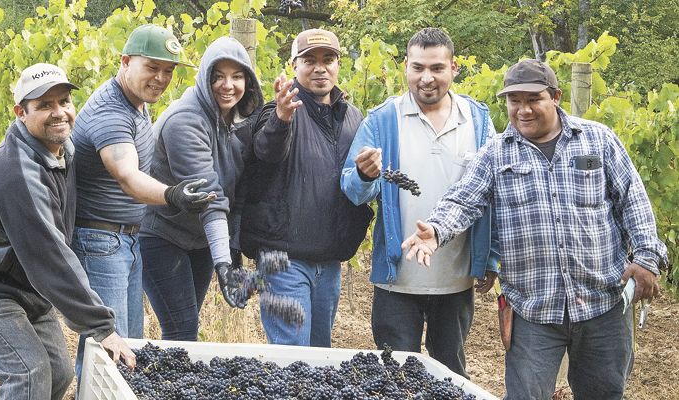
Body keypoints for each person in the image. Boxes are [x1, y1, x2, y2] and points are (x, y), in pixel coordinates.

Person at [401, 59, 666, 399]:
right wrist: (436, 230)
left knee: (604, 393)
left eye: (532, 99)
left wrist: (646, 258)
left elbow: (633, 200)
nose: (523, 110)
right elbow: (463, 201)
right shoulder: (496, 154)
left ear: (555, 97)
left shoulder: (598, 141)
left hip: (603, 305)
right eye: (515, 101)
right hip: (533, 311)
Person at [0, 63, 136, 400]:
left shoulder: (64, 151)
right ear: (21, 112)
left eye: (64, 101)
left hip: (23, 282)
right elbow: (49, 253)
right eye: (44, 105)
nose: (58, 112)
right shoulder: (16, 171)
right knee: (28, 375)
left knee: (57, 375)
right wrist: (101, 327)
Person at [340, 27, 499, 377]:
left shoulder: (478, 120)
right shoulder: (382, 120)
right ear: (405, 68)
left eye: (437, 68)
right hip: (397, 280)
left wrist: (491, 258)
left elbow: (493, 194)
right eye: (418, 68)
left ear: (454, 68)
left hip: (455, 279)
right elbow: (352, 190)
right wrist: (366, 176)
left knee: (450, 373)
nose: (427, 78)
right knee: (395, 375)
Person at [70, 24, 213, 374]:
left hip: (124, 239)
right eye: (152, 67)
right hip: (100, 241)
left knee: (124, 347)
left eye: (168, 70)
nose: (161, 78)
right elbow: (127, 177)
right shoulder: (112, 112)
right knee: (107, 351)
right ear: (125, 61)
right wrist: (172, 194)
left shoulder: (135, 102)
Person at [240, 29, 373, 347]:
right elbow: (266, 150)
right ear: (294, 64)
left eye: (328, 59)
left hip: (329, 263)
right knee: (292, 359)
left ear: (339, 65)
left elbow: (358, 183)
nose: (320, 67)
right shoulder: (277, 110)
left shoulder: (353, 118)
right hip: (283, 261)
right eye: (309, 60)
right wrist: (283, 119)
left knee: (319, 357)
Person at [140, 36, 264, 340]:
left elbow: (237, 196)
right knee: (182, 329)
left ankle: (169, 383)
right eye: (218, 76)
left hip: (199, 241)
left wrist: (231, 257)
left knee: (186, 324)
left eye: (236, 77)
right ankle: (166, 387)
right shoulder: (186, 121)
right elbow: (210, 197)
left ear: (248, 81)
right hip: (162, 235)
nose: (228, 85)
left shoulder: (234, 122)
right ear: (204, 77)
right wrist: (223, 266)